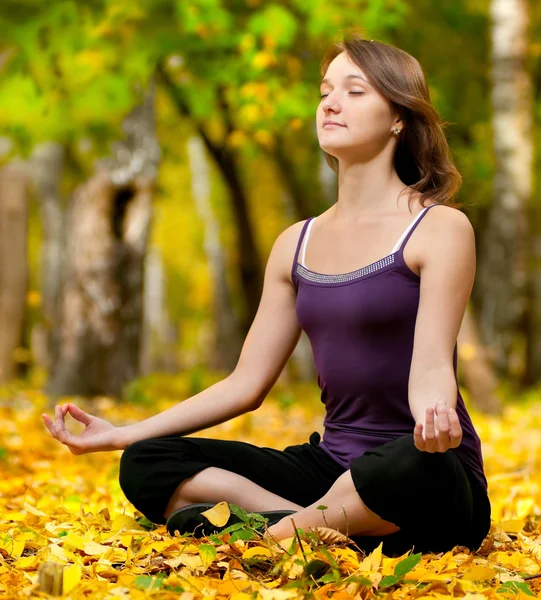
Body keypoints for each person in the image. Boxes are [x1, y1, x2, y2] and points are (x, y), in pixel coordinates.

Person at [42, 33, 491, 557]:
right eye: (325, 90)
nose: (331, 102)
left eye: (355, 90)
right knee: (148, 460)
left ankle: (276, 530)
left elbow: (433, 364)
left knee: (409, 466)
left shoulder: (439, 227)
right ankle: (317, 530)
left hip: (422, 468)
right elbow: (244, 384)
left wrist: (434, 413)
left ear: (399, 118)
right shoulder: (295, 243)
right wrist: (123, 433)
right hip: (329, 471)